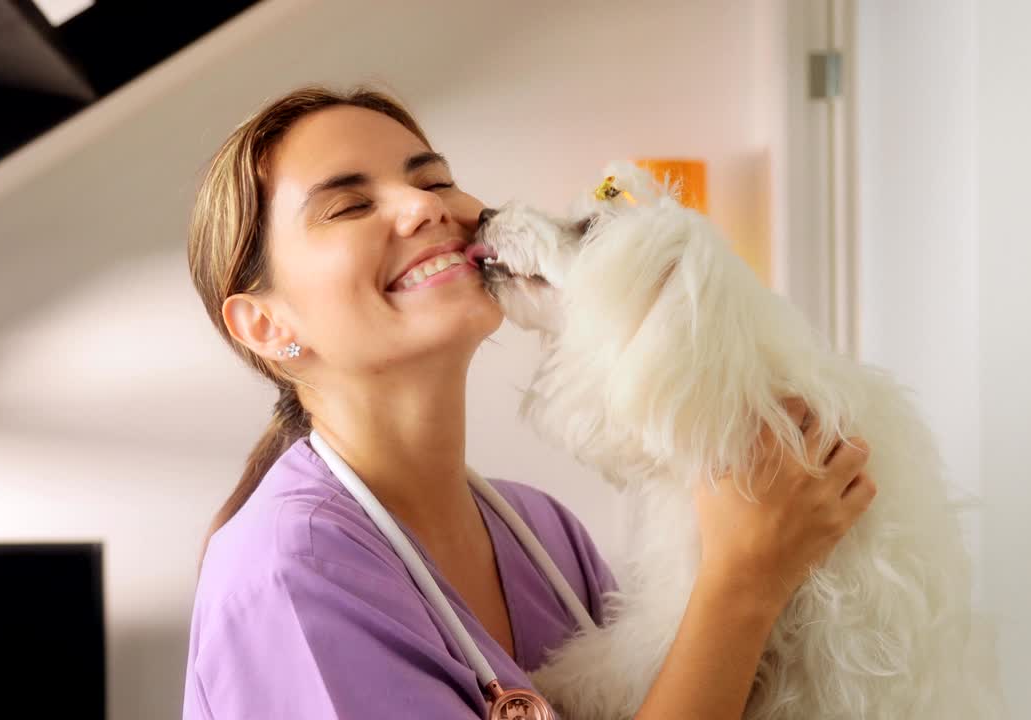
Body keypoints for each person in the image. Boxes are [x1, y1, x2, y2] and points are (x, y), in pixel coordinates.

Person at [181, 85, 877, 720]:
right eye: (351, 205)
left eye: (434, 179)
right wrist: (743, 579)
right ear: (266, 326)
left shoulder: (542, 534)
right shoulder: (287, 573)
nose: (426, 205)